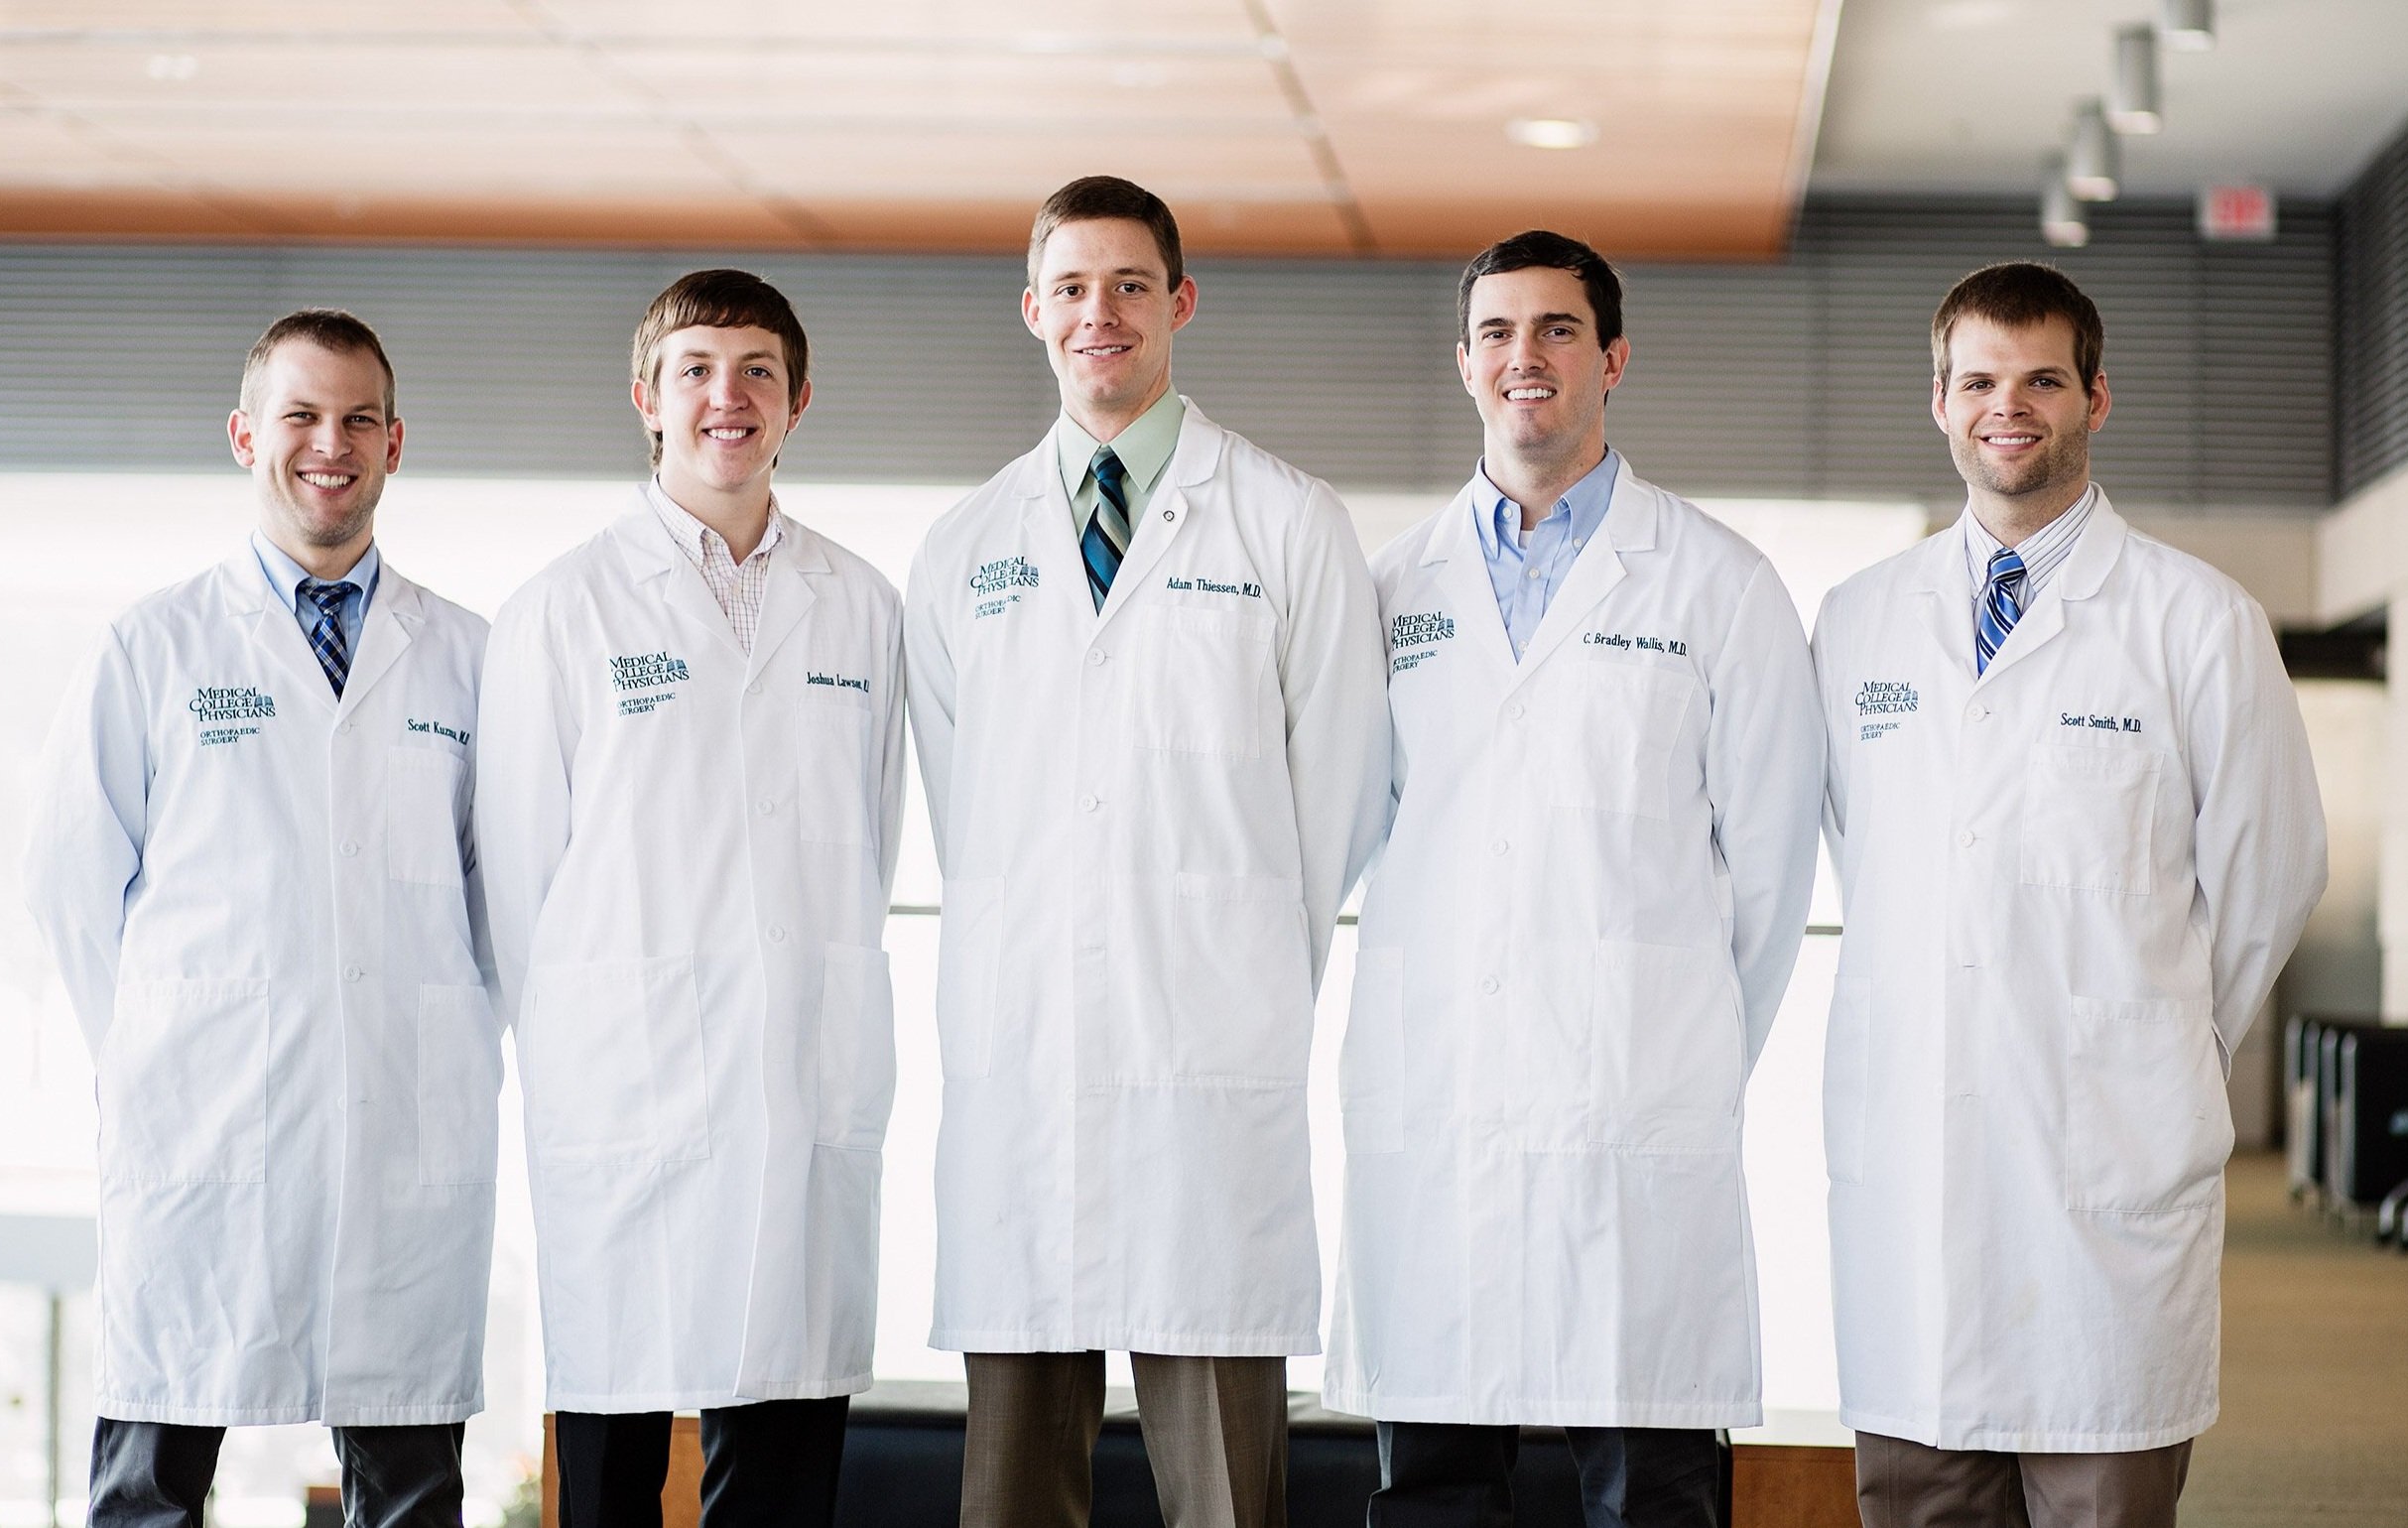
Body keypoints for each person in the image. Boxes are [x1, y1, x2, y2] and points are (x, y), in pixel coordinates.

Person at [904, 175, 1389, 1528]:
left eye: (1127, 285)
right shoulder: (964, 548)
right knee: (1009, 1493)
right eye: (1069, 288)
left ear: (1177, 302)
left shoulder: (1285, 523)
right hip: (1026, 1066)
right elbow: (971, 812)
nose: (1097, 314)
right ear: (1031, 312)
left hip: (1206, 1063)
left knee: (1225, 1494)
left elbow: (1338, 792)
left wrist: (1226, 962)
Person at [1811, 262, 2327, 1528]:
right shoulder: (1858, 622)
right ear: (1937, 401)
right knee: (1917, 1497)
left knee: (2099, 1493)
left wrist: (2155, 1044)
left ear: (2094, 395)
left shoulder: (2196, 621)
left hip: (2105, 1168)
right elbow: (1855, 852)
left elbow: (2270, 871)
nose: (2009, 405)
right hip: (1916, 1169)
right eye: (1978, 380)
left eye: (2041, 377)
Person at [1321, 229, 1824, 1527]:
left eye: (1553, 330)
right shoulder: (1386, 592)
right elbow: (1342, 828)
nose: (1522, 357)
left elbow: (1768, 869)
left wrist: (1675, 1049)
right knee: (1432, 1478)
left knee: (1646, 1482)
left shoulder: (1717, 585)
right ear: (1462, 363)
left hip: (1631, 1105)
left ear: (1610, 359)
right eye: (1495, 332)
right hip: (1435, 1097)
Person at [23, 311, 496, 1528]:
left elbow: (505, 898)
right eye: (299, 415)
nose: (327, 444)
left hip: (405, 1122)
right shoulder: (157, 647)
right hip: (202, 1119)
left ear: (396, 443)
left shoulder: (466, 658)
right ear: (246, 435)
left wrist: (455, 1047)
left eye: (355, 420)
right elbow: (73, 887)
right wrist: (150, 1056)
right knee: (152, 1480)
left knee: (408, 1489)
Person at [475, 269, 904, 1528]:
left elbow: (866, 846)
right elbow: (519, 880)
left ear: (798, 401)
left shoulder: (862, 606)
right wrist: (592, 1040)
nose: (730, 395)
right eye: (699, 369)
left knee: (781, 1444)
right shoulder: (561, 608)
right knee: (612, 1452)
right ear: (647, 399)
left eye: (758, 371)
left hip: (801, 1072)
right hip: (627, 1088)